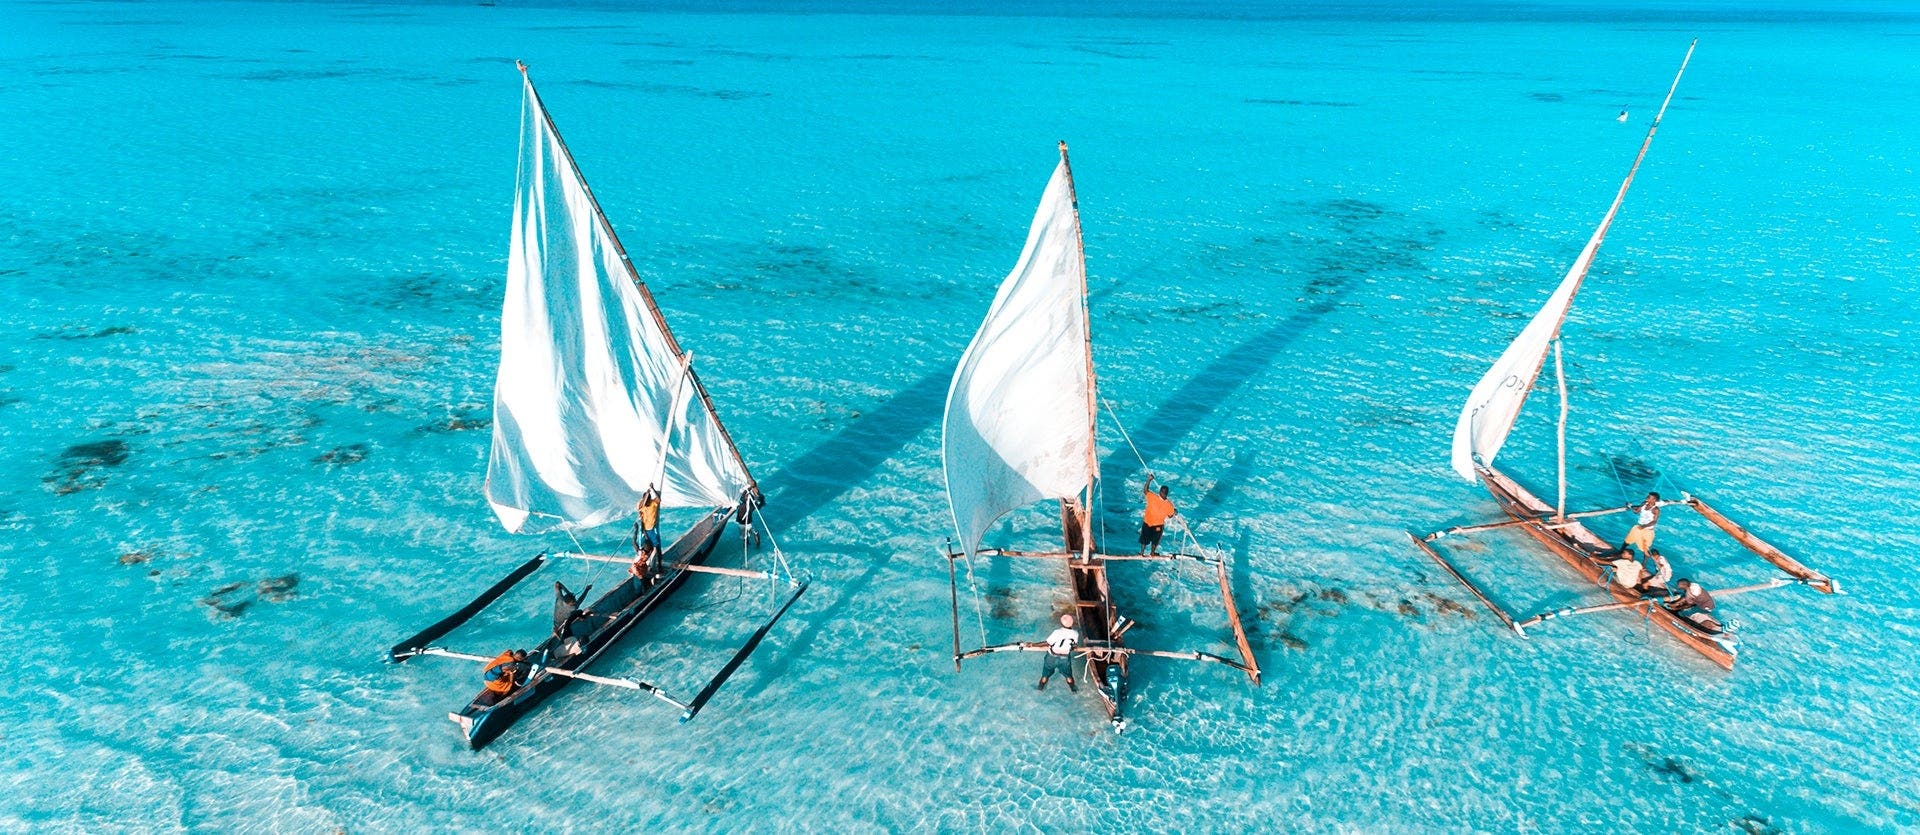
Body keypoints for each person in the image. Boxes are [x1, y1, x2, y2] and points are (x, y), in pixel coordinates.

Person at [1036, 613, 1079, 692]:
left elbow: (1047, 643)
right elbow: (1074, 645)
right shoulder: (1075, 633)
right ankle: (1073, 689)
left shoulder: (1057, 632)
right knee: (1068, 676)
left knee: (1045, 675)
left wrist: (1033, 644)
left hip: (1052, 656)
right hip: (1064, 658)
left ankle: (1040, 688)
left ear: (1061, 623)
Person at [1138, 474, 1177, 556]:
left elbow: (1145, 490)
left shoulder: (1152, 497)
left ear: (1160, 492)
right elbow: (1170, 516)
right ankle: (1152, 553)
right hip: (1158, 526)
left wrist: (1149, 480)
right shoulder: (1169, 505)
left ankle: (1141, 553)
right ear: (1167, 494)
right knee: (1155, 540)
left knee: (1144, 537)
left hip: (1147, 522)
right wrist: (1174, 511)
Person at [1617, 492, 1662, 559]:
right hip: (1638, 527)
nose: (1647, 497)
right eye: (1648, 496)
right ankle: (1619, 554)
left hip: (1647, 530)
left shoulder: (1656, 509)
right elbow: (1636, 511)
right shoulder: (1644, 503)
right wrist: (1630, 506)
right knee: (1626, 542)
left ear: (1654, 500)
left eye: (1649, 497)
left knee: (1645, 549)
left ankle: (1643, 565)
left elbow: (1654, 521)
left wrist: (1644, 526)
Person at [634, 484, 663, 554]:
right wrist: (646, 495)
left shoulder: (653, 503)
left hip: (650, 528)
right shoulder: (642, 505)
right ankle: (645, 555)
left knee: (655, 544)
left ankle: (659, 559)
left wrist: (652, 489)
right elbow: (639, 506)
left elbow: (658, 499)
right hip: (643, 527)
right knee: (643, 544)